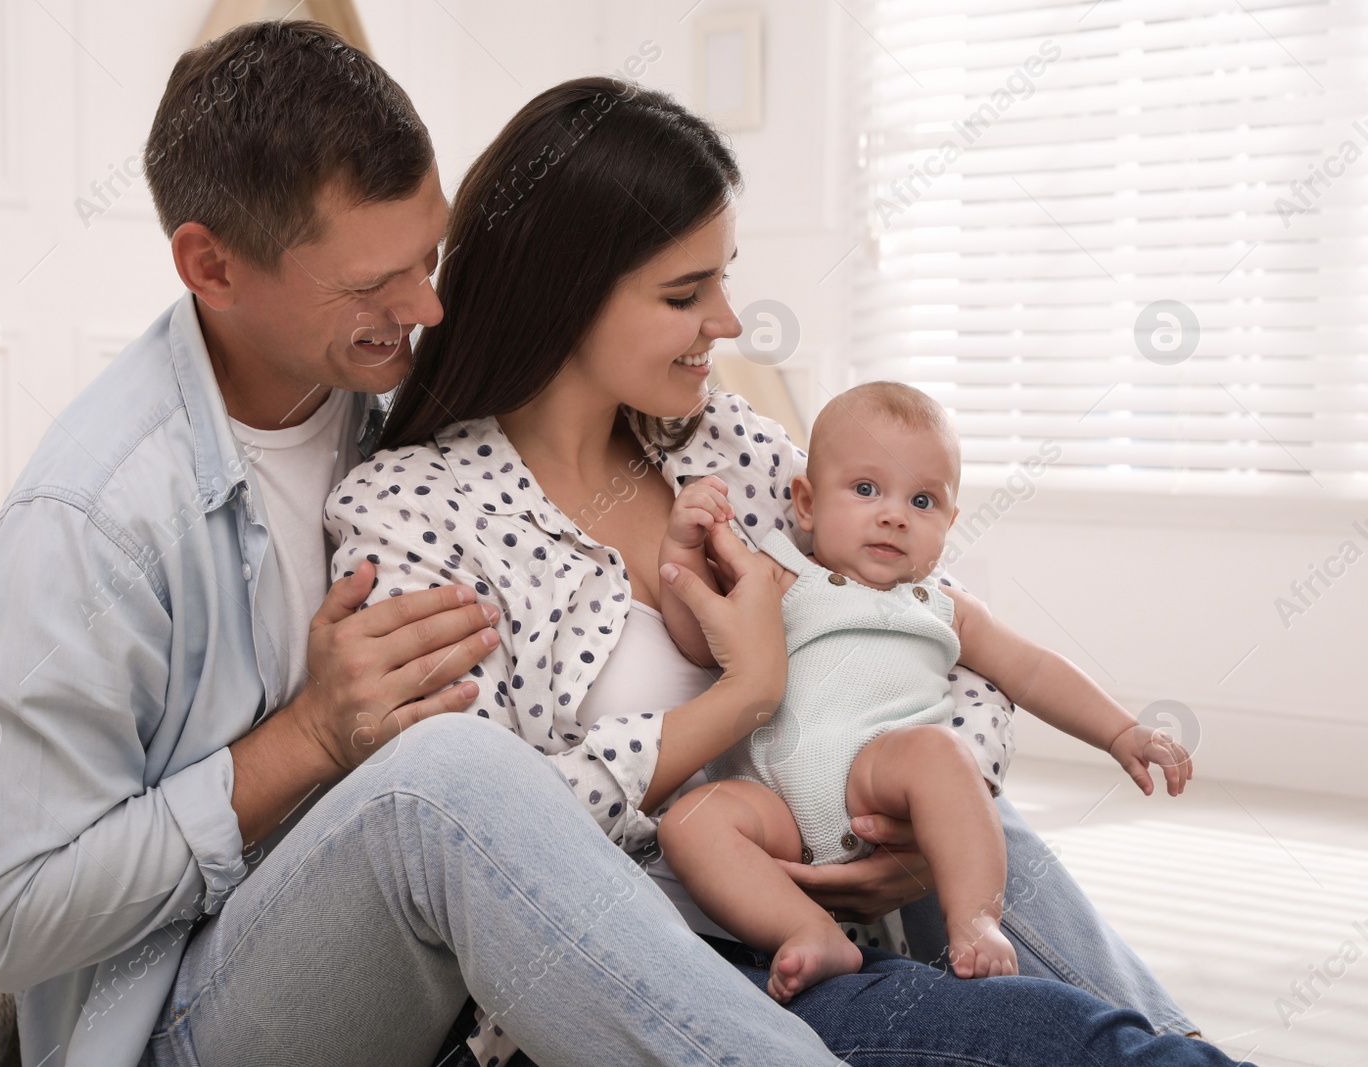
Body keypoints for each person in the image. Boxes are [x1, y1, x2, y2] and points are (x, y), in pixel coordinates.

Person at [0, 22, 844, 1067]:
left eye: (428, 254)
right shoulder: (91, 522)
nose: (428, 306)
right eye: (374, 283)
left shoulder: (395, 408)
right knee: (445, 777)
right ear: (210, 265)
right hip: (184, 1017)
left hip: (438, 965)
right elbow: (4, 918)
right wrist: (308, 739)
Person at [327, 76, 1239, 1066]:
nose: (728, 320)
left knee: (968, 813)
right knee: (1065, 1039)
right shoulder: (417, 514)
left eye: (723, 276)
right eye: (685, 293)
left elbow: (929, 629)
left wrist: (908, 818)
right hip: (666, 956)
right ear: (563, 294)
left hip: (845, 885)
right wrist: (743, 696)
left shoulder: (720, 436)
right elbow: (478, 833)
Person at [653, 381, 1194, 1002]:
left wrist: (1120, 730)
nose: (894, 514)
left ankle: (974, 919)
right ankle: (806, 930)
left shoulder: (943, 606)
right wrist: (683, 549)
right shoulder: (779, 574)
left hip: (879, 775)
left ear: (950, 522)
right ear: (805, 503)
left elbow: (1034, 671)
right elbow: (701, 638)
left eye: (923, 500)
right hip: (772, 806)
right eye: (865, 490)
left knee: (941, 758)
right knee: (691, 822)